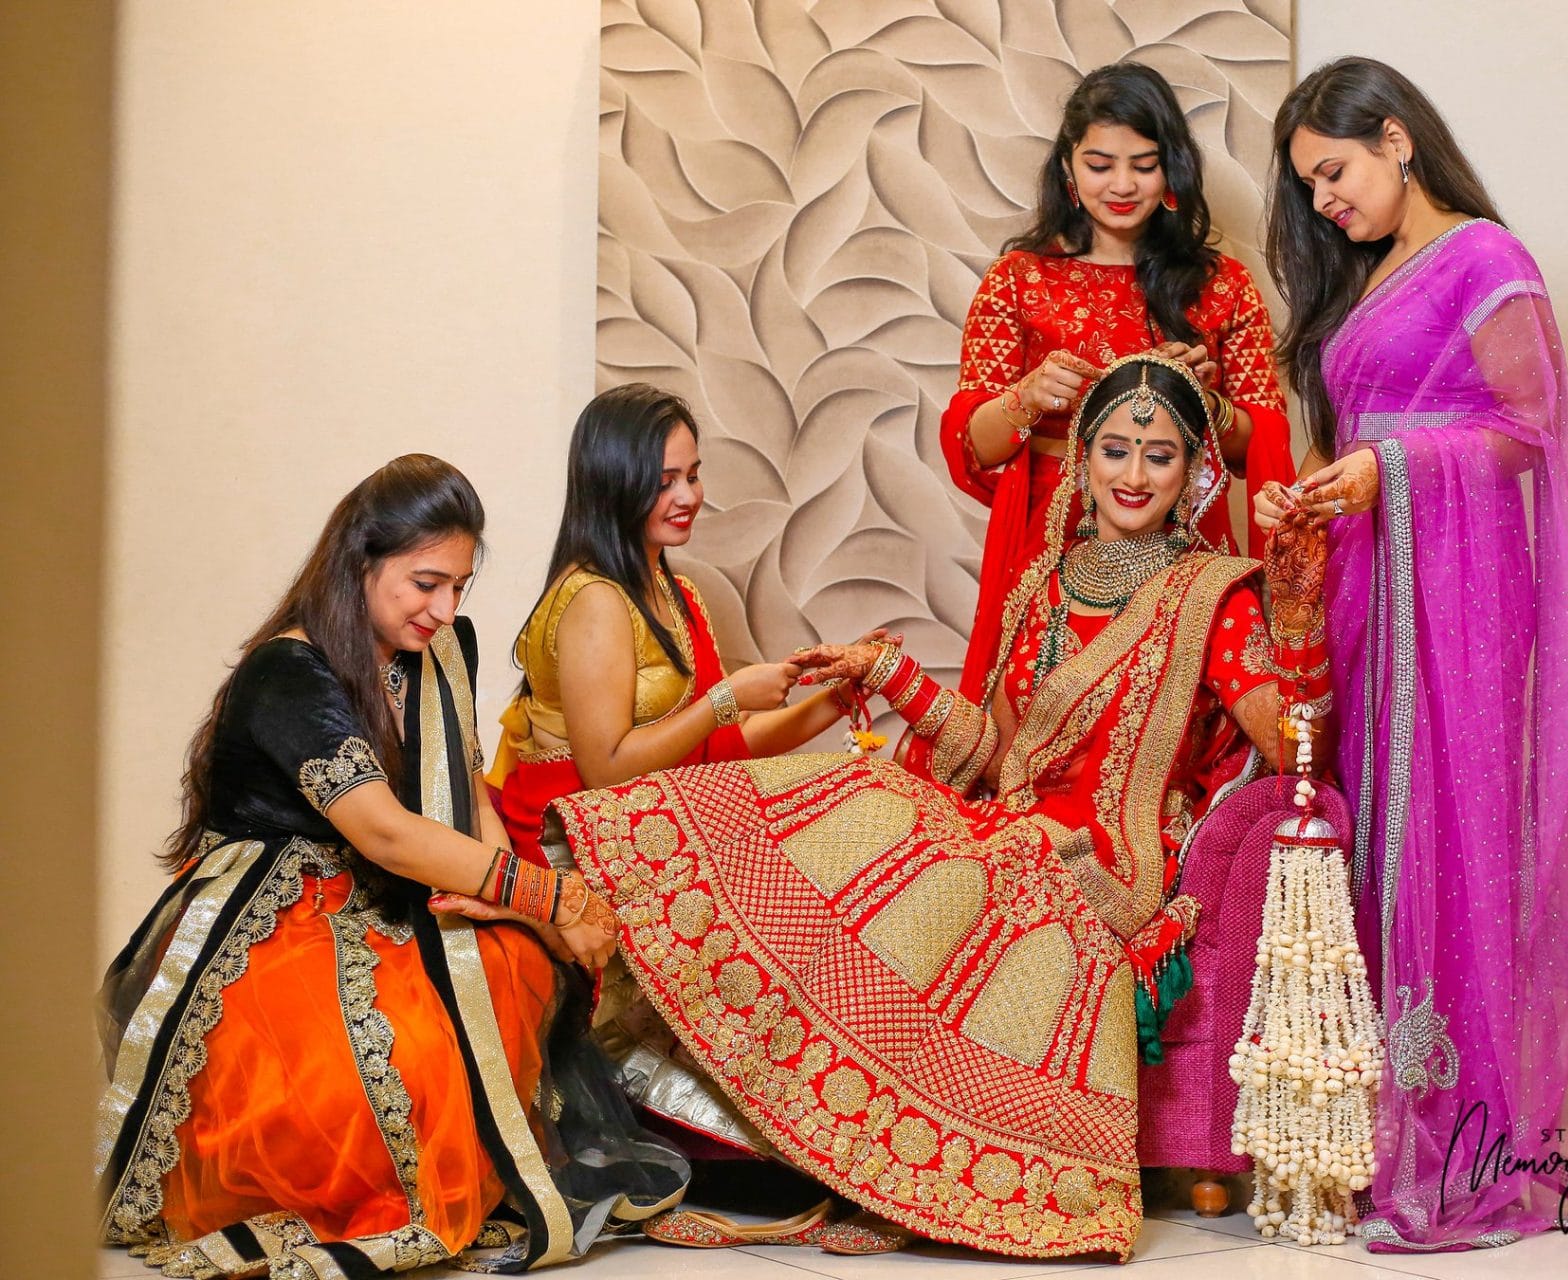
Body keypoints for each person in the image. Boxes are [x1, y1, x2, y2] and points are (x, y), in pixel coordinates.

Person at [547, 354, 1302, 1260]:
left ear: (1195, 472)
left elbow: (1296, 747)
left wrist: (1295, 602)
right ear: (1083, 461)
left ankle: (921, 1171)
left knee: (972, 889)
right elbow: (995, 751)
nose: (1133, 476)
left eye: (1160, 456)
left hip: (1105, 858)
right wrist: (890, 674)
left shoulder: (1213, 596)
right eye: (1114, 450)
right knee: (864, 799)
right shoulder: (1045, 589)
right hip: (1015, 821)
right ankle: (861, 1155)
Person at [97, 456, 687, 1278]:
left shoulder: (442, 648)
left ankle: (459, 1180)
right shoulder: (287, 671)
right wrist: (547, 891)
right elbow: (383, 831)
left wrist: (527, 908)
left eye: (460, 586)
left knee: (510, 964)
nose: (444, 609)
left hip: (386, 899)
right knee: (382, 1055)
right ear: (360, 562)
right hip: (268, 920)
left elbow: (468, 787)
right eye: (424, 583)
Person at [1255, 56, 1568, 1251]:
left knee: (1449, 832)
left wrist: (1388, 469)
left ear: (1398, 139)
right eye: (1310, 185)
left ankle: (1460, 1148)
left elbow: (1526, 430)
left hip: (1459, 593)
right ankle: (1382, 1133)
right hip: (1379, 580)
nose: (1324, 203)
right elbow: (1373, 426)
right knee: (1379, 829)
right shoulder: (1379, 277)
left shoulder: (1486, 261)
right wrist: (1331, 493)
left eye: (1335, 171)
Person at [940, 61, 1293, 701]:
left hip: (1182, 536)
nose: (1122, 185)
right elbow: (972, 449)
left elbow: (1258, 445)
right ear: (1069, 170)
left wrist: (1204, 405)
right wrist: (1025, 399)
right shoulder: (1018, 281)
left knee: (1173, 718)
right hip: (1050, 540)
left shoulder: (1223, 286)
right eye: (1100, 165)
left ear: (1173, 170)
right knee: (1034, 717)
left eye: (1144, 164)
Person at [488, 383, 878, 864]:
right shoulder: (594, 597)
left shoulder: (679, 592)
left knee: (856, 813)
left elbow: (719, 746)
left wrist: (837, 696)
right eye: (664, 481)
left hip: (653, 827)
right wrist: (727, 698)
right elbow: (605, 771)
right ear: (615, 483)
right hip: (576, 845)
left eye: (692, 476)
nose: (687, 496)